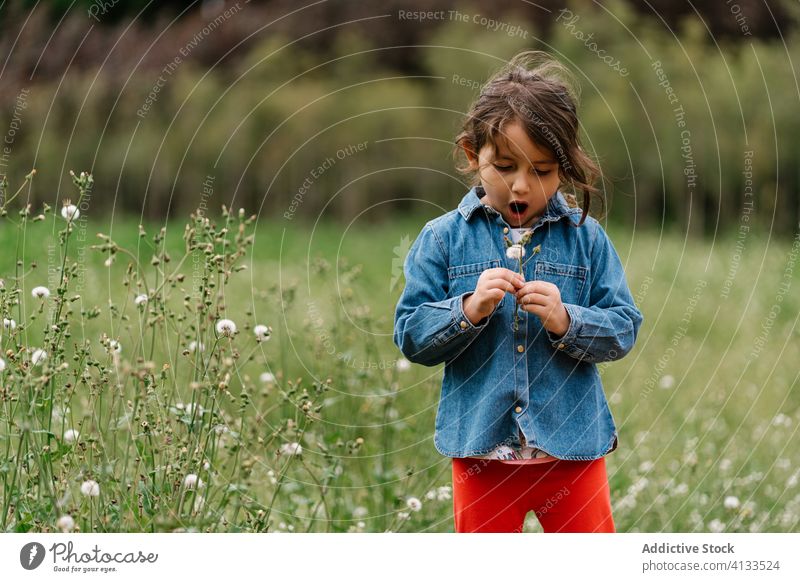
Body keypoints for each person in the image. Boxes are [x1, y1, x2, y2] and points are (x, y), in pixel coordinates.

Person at [393, 51, 643, 533]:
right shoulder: (443, 238)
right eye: (504, 166)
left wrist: (567, 321)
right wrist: (468, 310)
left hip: (572, 451)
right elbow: (411, 335)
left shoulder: (586, 238)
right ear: (472, 154)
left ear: (564, 168)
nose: (521, 186)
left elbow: (624, 327)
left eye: (543, 171)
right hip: (481, 453)